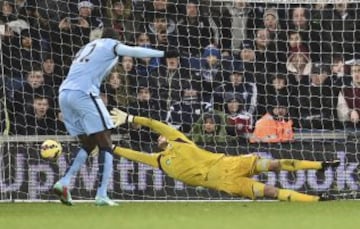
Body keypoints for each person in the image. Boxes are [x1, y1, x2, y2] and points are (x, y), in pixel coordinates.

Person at [53, 27, 176, 206]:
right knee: (106, 141)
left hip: (64, 94)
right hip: (84, 93)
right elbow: (134, 51)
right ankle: (102, 194)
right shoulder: (110, 44)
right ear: (117, 39)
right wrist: (164, 53)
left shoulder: (87, 47)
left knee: (88, 142)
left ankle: (64, 182)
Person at [110, 108, 340, 202]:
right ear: (157, 146)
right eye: (158, 139)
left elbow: (154, 123)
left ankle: (320, 164)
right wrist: (110, 148)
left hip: (231, 162)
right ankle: (316, 200)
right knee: (270, 191)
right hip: (226, 182)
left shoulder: (179, 138)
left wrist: (130, 118)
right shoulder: (159, 161)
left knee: (274, 164)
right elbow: (132, 155)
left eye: (161, 136)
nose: (160, 137)